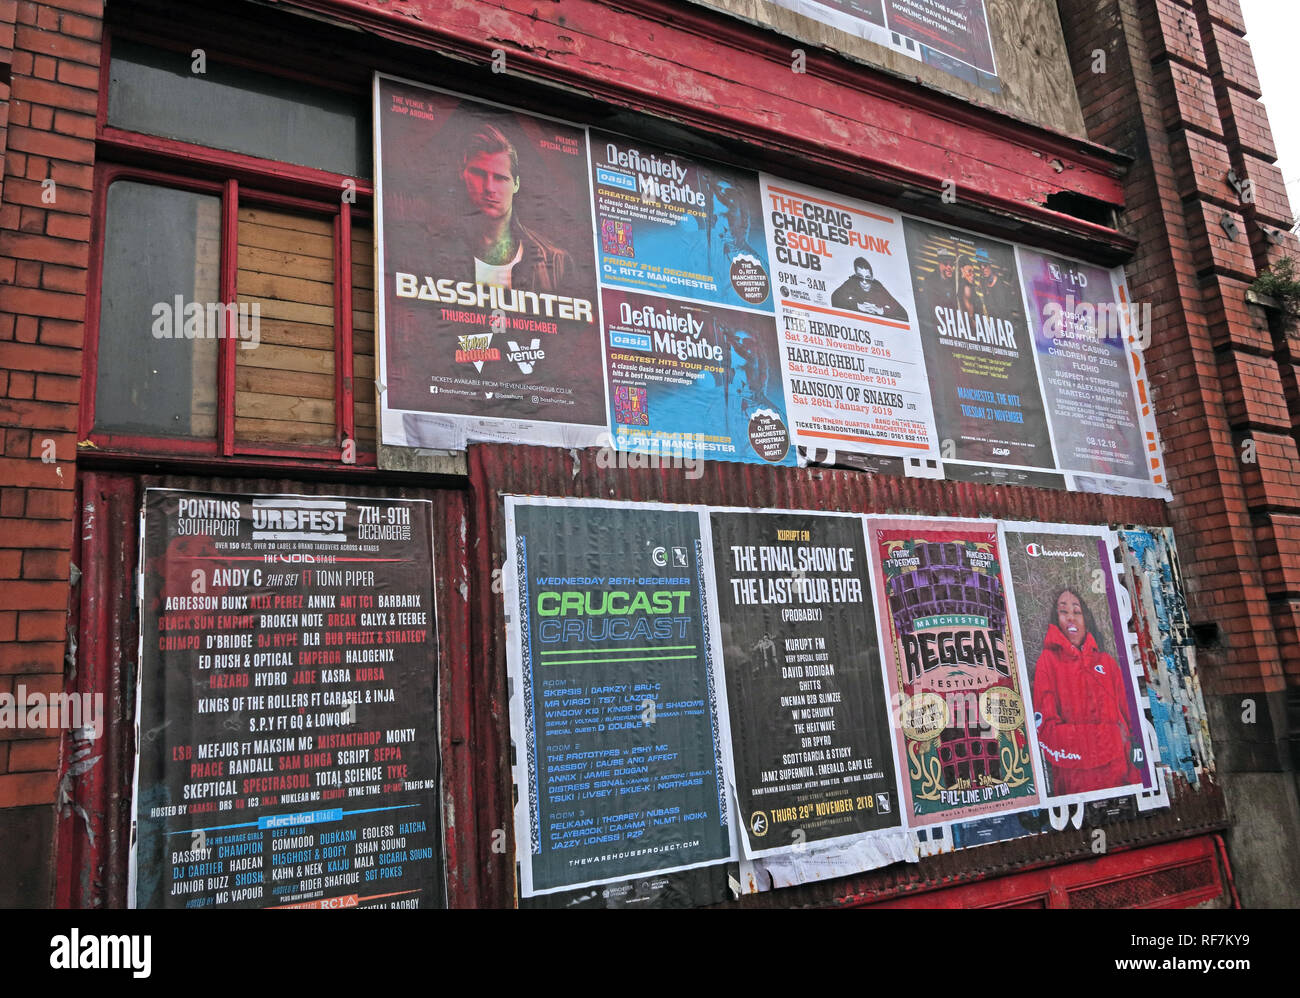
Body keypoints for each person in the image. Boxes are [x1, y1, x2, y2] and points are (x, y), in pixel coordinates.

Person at [1031, 588, 1143, 795]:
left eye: (1077, 611)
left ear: (1086, 619)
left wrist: (1137, 782)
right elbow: (1048, 736)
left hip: (1124, 786)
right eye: (1063, 611)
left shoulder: (1107, 663)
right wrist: (1110, 738)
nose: (1071, 617)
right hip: (1077, 794)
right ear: (1056, 620)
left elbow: (1133, 729)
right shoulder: (1047, 662)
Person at [456, 124, 571, 292]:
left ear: (516, 184)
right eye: (479, 174)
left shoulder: (555, 261)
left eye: (500, 178)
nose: (489, 187)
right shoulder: (432, 248)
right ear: (462, 173)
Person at [830, 257, 908, 320]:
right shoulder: (852, 282)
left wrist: (881, 311)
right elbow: (835, 298)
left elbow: (902, 313)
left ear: (872, 278)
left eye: (867, 279)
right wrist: (857, 306)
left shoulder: (877, 287)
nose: (864, 282)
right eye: (860, 278)